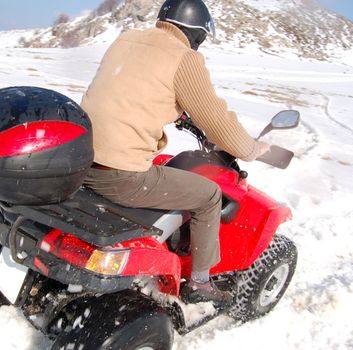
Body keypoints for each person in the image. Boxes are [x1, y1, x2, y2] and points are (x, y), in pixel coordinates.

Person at [81, 0, 270, 305]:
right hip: (120, 175)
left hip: (82, 159)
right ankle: (200, 282)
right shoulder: (184, 59)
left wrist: (178, 110)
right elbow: (218, 123)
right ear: (198, 34)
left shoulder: (127, 38)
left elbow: (133, 90)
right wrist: (253, 148)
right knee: (209, 196)